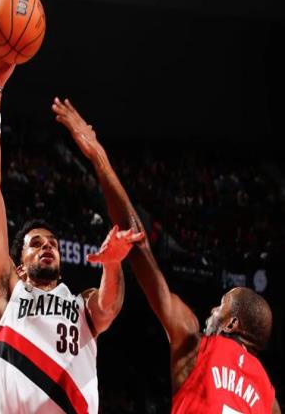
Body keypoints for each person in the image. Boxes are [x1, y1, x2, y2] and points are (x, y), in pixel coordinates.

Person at [52, 97, 282, 414]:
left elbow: (138, 245)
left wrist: (99, 157)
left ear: (231, 323)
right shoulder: (269, 399)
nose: (212, 310)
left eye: (221, 305)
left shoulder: (195, 344)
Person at [0, 22, 143, 414]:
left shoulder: (80, 303)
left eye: (51, 243)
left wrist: (113, 264)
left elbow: (109, 306)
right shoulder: (6, 292)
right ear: (19, 265)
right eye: (36, 244)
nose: (47, 246)